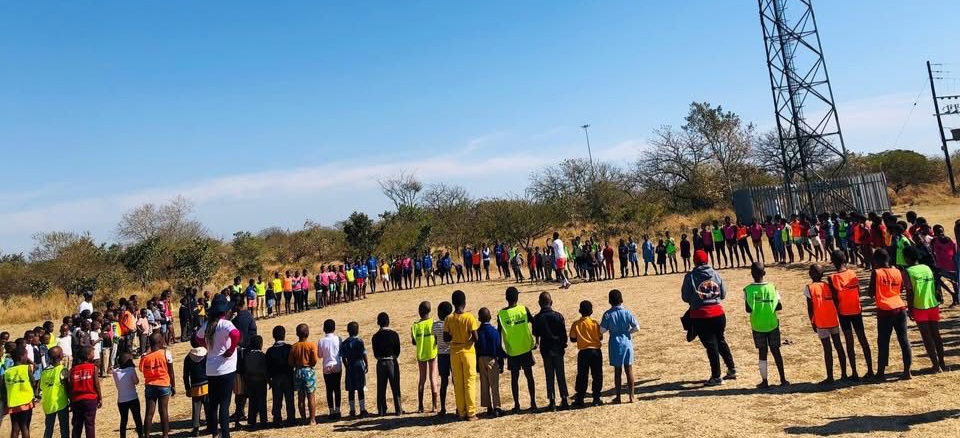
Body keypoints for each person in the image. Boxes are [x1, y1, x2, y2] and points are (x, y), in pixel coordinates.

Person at [681, 250, 737, 386]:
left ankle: (716, 376)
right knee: (720, 341)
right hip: (718, 314)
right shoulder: (716, 274)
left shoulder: (690, 276)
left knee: (711, 346)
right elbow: (723, 294)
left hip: (701, 316)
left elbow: (685, 297)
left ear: (694, 261)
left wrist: (697, 299)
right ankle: (732, 369)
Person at [195, 297, 239, 438]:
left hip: (212, 369)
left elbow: (197, 337)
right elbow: (236, 334)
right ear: (224, 311)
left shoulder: (208, 324)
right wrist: (231, 350)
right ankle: (225, 434)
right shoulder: (225, 324)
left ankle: (215, 432)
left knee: (213, 403)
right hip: (226, 368)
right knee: (224, 404)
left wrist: (207, 346)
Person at [828, 250, 874, 380]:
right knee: (863, 340)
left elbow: (835, 298)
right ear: (845, 260)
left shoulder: (832, 278)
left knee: (849, 342)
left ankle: (854, 372)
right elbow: (858, 292)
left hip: (843, 312)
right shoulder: (853, 274)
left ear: (833, 262)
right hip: (856, 310)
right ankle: (870, 369)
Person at [869, 249, 912, 380]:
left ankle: (881, 373)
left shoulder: (876, 273)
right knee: (903, 340)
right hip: (899, 307)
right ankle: (907, 371)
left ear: (876, 260)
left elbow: (871, 292)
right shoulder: (897, 271)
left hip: (885, 310)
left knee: (883, 341)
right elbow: (901, 288)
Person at [743, 263, 788, 388]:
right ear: (764, 273)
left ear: (751, 274)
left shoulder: (747, 290)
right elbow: (779, 306)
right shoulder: (772, 287)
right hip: (772, 323)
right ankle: (783, 379)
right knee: (776, 351)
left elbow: (748, 309)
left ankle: (764, 381)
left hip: (757, 325)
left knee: (762, 353)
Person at [903, 246, 947, 373]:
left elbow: (910, 293)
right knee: (936, 335)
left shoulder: (907, 272)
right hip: (932, 304)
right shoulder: (926, 268)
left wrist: (910, 309)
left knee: (927, 337)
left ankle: (935, 365)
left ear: (907, 258)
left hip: (919, 306)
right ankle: (942, 363)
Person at [804, 265, 849, 384]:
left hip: (821, 321)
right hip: (832, 319)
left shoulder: (809, 288)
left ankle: (830, 377)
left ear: (810, 274)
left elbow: (810, 308)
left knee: (827, 349)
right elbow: (836, 300)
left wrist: (812, 322)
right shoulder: (828, 286)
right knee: (838, 346)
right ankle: (844, 374)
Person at [496, 287, 537, 413]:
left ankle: (517, 405)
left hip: (512, 350)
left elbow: (498, 334)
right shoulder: (523, 309)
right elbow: (534, 322)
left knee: (514, 378)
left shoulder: (501, 314)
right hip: (525, 347)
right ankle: (533, 402)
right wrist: (536, 340)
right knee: (529, 376)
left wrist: (500, 350)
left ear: (506, 298)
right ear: (517, 297)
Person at [443, 290, 479, 421]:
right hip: (468, 352)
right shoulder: (469, 317)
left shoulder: (449, 319)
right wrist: (467, 341)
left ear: (453, 303)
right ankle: (471, 413)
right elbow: (476, 337)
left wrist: (454, 336)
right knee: (469, 382)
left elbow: (446, 338)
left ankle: (461, 412)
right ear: (465, 302)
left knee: (458, 383)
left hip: (454, 352)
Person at [531, 292, 569, 411]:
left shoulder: (537, 318)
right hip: (558, 349)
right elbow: (564, 334)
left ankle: (552, 401)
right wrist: (563, 345)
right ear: (551, 302)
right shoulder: (558, 316)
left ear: (539, 303)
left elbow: (536, 333)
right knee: (560, 374)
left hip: (546, 350)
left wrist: (537, 342)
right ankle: (564, 399)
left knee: (549, 375)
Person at [140, 333, 175, 438]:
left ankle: (146, 435)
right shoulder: (166, 353)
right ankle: (165, 435)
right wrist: (173, 385)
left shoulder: (145, 357)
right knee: (163, 411)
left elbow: (141, 369)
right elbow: (171, 372)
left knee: (149, 413)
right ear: (160, 342)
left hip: (150, 386)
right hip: (164, 385)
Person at [570, 300, 603, 408]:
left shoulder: (576, 324)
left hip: (583, 352)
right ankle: (596, 398)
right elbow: (600, 337)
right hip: (596, 352)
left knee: (582, 375)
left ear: (580, 311)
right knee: (597, 375)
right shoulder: (595, 323)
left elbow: (572, 339)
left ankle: (580, 398)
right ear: (591, 311)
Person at [475, 308, 504, 418]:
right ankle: (497, 407)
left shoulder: (478, 332)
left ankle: (488, 406)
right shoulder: (494, 331)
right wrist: (501, 361)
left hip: (481, 359)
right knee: (494, 383)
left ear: (479, 319)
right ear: (490, 317)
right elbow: (498, 347)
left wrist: (477, 364)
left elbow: (476, 348)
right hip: (492, 359)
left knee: (484, 383)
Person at [372, 313, 401, 416]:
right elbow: (398, 350)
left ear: (378, 323)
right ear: (388, 322)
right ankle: (398, 409)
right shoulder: (394, 334)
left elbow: (375, 353)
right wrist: (394, 357)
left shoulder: (375, 337)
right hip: (392, 361)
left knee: (381, 387)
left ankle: (381, 410)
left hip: (381, 363)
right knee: (395, 386)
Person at [289, 323, 319, 426]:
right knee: (311, 396)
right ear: (308, 333)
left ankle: (303, 419)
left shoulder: (294, 346)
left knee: (300, 397)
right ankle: (312, 420)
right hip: (308, 371)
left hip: (298, 371)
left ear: (297, 334)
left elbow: (290, 362)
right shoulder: (311, 345)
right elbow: (314, 360)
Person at [410, 302, 438, 414]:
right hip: (432, 352)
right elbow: (437, 338)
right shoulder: (433, 323)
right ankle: (435, 406)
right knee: (433, 378)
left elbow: (414, 342)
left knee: (422, 379)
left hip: (421, 354)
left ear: (419, 312)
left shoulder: (415, 326)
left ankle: (420, 406)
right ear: (430, 310)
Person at [265, 326, 295, 426]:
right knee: (289, 399)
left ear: (273, 336)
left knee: (277, 400)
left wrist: (269, 380)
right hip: (288, 377)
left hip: (276, 378)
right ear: (284, 335)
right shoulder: (289, 348)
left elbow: (267, 367)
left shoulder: (270, 351)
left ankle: (277, 420)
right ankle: (291, 419)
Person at [2, 347, 35, 438]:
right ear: (21, 357)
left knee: (15, 427)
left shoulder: (7, 371)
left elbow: (4, 388)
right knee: (25, 426)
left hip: (12, 402)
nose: (27, 357)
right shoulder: (26, 368)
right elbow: (33, 382)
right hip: (26, 401)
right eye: (26, 355)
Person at [340, 322, 369, 418]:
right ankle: (362, 409)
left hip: (350, 366)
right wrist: (366, 364)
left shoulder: (345, 343)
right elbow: (364, 354)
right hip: (359, 365)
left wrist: (346, 366)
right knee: (360, 388)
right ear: (358, 330)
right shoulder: (359, 341)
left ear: (348, 331)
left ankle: (352, 410)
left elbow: (343, 357)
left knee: (351, 389)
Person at [40, 346, 69, 438]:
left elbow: (42, 387)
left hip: (48, 404)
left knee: (49, 428)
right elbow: (67, 387)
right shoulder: (63, 370)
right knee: (64, 427)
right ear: (61, 356)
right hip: (61, 403)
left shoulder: (44, 372)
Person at [112, 352, 143, 438]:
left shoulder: (115, 372)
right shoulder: (131, 370)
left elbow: (115, 367)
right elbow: (136, 382)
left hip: (121, 400)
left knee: (123, 420)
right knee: (137, 418)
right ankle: (140, 435)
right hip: (133, 398)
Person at [317, 320, 343, 420]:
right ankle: (338, 410)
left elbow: (319, 355)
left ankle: (331, 411)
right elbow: (341, 352)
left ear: (324, 329)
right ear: (334, 328)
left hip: (326, 366)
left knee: (329, 389)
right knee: (337, 388)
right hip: (337, 365)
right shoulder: (338, 339)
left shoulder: (321, 341)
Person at [183, 342, 208, 437]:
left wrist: (187, 388)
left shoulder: (188, 357)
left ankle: (196, 428)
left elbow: (186, 375)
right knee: (208, 407)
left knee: (196, 408)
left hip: (195, 386)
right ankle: (210, 425)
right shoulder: (206, 354)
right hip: (207, 384)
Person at [433, 302, 453, 416]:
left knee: (444, 382)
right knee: (456, 381)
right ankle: (458, 406)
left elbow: (436, 341)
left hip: (441, 355)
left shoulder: (435, 325)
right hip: (452, 354)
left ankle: (443, 408)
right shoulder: (452, 323)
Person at [244, 335, 268, 428]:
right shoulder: (263, 356)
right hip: (261, 381)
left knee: (252, 401)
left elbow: (246, 370)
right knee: (262, 401)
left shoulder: (247, 356)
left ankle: (252, 420)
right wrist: (268, 380)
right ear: (261, 344)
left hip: (250, 381)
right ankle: (263, 420)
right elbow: (265, 370)